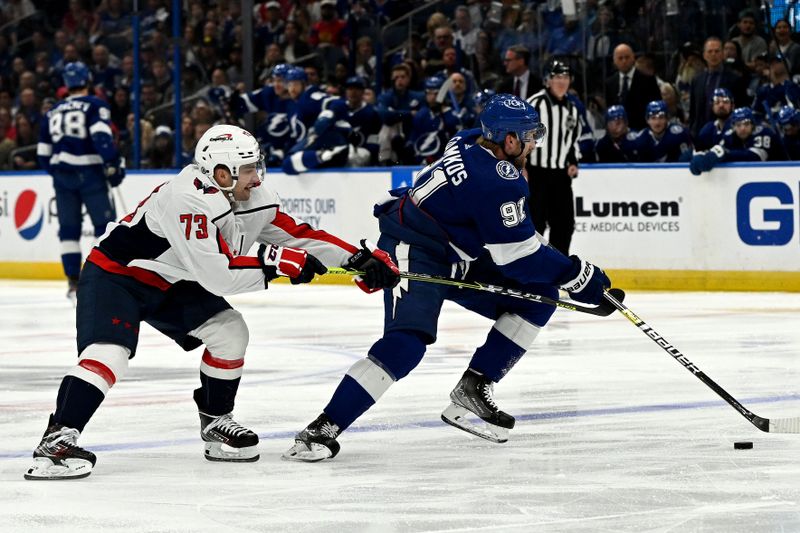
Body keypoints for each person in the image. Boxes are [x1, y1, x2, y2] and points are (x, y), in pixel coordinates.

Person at [24, 124, 400, 480]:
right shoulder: (185, 199)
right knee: (110, 353)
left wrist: (356, 259)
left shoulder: (253, 197)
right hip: (117, 276)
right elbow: (217, 276)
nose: (258, 177)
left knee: (230, 333)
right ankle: (56, 441)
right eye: (249, 169)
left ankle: (217, 421)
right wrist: (274, 265)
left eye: (257, 166)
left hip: (172, 278)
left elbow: (297, 235)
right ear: (221, 173)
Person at [282, 94, 612, 462]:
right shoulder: (496, 179)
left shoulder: (471, 139)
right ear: (509, 140)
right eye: (528, 137)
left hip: (454, 253)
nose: (533, 144)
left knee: (539, 293)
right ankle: (323, 427)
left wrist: (567, 275)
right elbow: (516, 256)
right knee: (407, 343)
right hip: (413, 245)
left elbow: (517, 242)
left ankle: (474, 387)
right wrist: (579, 276)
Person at [36, 61, 125, 302]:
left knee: (68, 231)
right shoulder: (95, 104)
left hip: (63, 178)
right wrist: (112, 163)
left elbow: (43, 154)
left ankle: (73, 282)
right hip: (90, 174)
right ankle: (106, 277)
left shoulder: (52, 111)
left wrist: (58, 173)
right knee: (104, 228)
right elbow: (101, 137)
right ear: (88, 81)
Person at [526, 60, 582, 255]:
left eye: (565, 77)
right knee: (535, 225)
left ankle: (558, 270)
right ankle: (532, 270)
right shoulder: (535, 104)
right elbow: (520, 136)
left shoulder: (573, 109)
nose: (562, 81)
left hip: (560, 175)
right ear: (548, 80)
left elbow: (573, 139)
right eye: (558, 77)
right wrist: (521, 165)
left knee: (565, 224)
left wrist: (573, 161)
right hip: (536, 174)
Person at [690, 107, 785, 175]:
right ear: (733, 126)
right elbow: (719, 153)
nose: (742, 128)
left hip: (779, 172)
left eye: (746, 124)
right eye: (738, 125)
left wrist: (725, 153)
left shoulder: (763, 132)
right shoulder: (729, 135)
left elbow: (755, 157)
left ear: (753, 125)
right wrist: (704, 156)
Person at [689, 37, 745, 138]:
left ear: (723, 54)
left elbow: (740, 107)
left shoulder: (735, 79)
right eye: (710, 51)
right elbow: (693, 111)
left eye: (717, 51)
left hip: (727, 134)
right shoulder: (697, 80)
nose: (713, 55)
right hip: (700, 134)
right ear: (704, 55)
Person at [604, 43, 662, 130]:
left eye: (627, 57)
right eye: (620, 58)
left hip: (642, 131)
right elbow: (608, 110)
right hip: (618, 133)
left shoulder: (648, 80)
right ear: (614, 61)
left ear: (633, 58)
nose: (624, 61)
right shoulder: (609, 83)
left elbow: (656, 108)